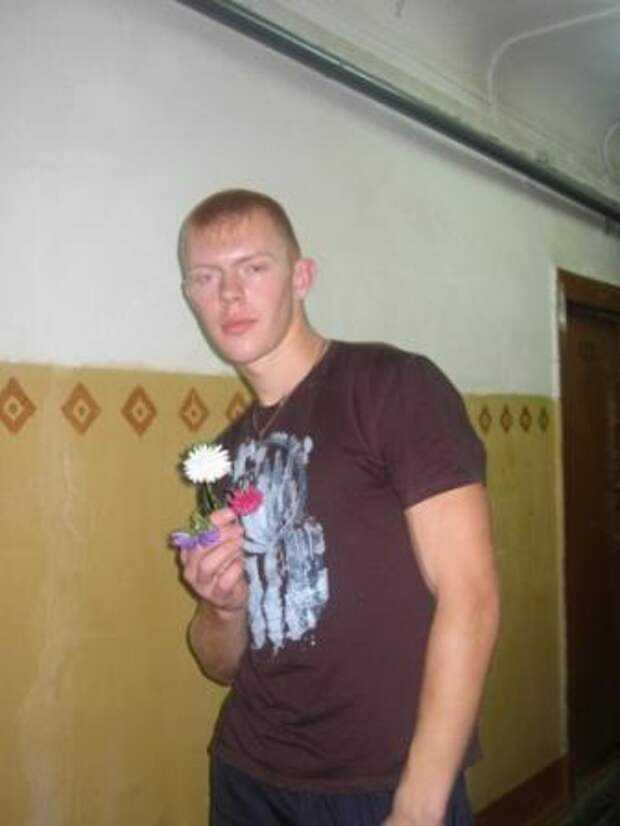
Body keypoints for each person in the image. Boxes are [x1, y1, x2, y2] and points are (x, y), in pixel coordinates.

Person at [176, 189, 500, 826]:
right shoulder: (223, 454)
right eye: (206, 278)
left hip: (382, 783)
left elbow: (473, 596)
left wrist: (420, 802)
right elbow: (220, 664)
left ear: (302, 277)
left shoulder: (393, 388)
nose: (229, 295)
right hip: (248, 773)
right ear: (190, 296)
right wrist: (221, 605)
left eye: (253, 268)